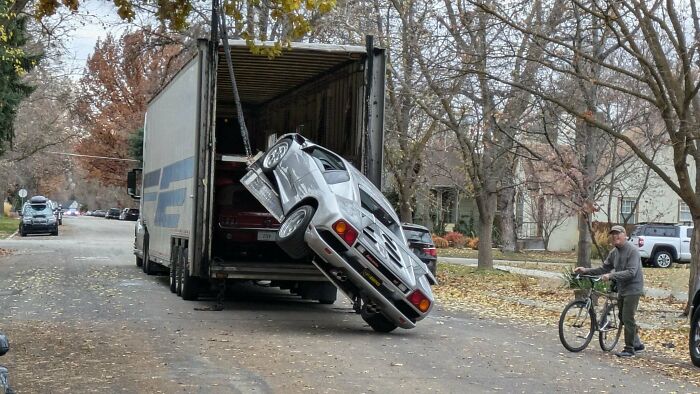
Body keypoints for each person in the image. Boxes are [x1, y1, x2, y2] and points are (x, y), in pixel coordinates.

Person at [574, 225, 644, 357]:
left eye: (618, 234)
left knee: (627, 317)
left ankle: (629, 349)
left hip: (633, 288)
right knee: (622, 317)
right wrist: (586, 270)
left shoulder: (632, 251)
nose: (615, 237)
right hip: (622, 287)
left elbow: (631, 272)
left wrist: (611, 276)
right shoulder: (614, 252)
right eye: (613, 235)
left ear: (625, 235)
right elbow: (604, 268)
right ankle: (637, 343)